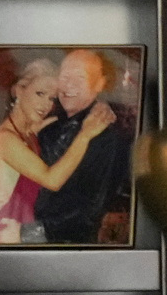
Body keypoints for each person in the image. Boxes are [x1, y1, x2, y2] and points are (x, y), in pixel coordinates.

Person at [0, 59, 113, 245]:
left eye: (51, 98)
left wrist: (101, 105)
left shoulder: (30, 132)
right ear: (19, 90)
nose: (46, 105)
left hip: (24, 235)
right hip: (5, 235)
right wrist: (84, 136)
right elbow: (52, 180)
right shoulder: (5, 139)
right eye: (39, 93)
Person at [31, 48, 134, 246]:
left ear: (100, 84)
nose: (69, 85)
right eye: (65, 76)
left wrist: (32, 232)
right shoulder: (47, 124)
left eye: (80, 77)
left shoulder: (108, 138)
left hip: (64, 246)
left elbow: (92, 211)